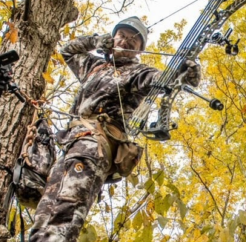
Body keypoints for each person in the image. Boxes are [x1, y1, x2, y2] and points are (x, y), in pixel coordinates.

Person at [28, 16, 201, 242]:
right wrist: (96, 41)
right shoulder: (94, 66)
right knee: (46, 212)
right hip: (72, 145)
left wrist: (187, 71)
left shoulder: (138, 72)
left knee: (66, 210)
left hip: (94, 146)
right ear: (113, 37)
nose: (126, 41)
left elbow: (165, 80)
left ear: (139, 49)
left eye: (134, 40)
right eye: (122, 35)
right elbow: (68, 50)